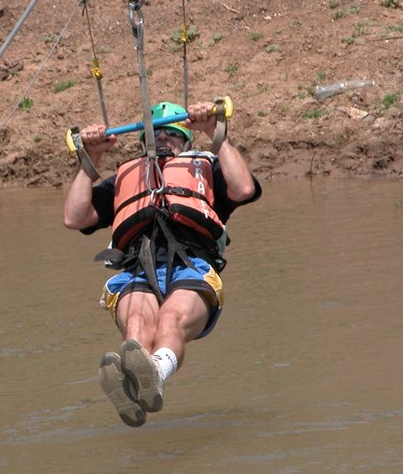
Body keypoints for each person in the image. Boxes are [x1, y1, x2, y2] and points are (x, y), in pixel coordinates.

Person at [63, 101, 261, 427]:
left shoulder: (207, 169)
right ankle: (133, 387)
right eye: (156, 134)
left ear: (186, 141)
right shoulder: (124, 178)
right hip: (136, 269)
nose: (164, 139)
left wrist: (216, 132)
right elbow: (74, 217)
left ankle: (151, 375)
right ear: (143, 142)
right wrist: (90, 158)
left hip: (192, 264)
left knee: (170, 319)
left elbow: (243, 189)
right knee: (137, 326)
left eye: (172, 134)